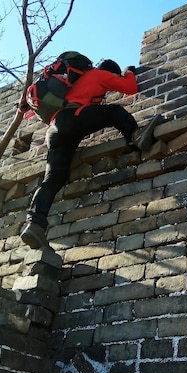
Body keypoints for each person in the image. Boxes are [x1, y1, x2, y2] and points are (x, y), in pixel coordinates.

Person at [20, 56, 162, 249]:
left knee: (53, 178)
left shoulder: (76, 81)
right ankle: (136, 136)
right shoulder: (99, 74)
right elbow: (130, 88)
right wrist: (129, 71)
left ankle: (34, 224)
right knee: (114, 111)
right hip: (72, 118)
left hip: (54, 130)